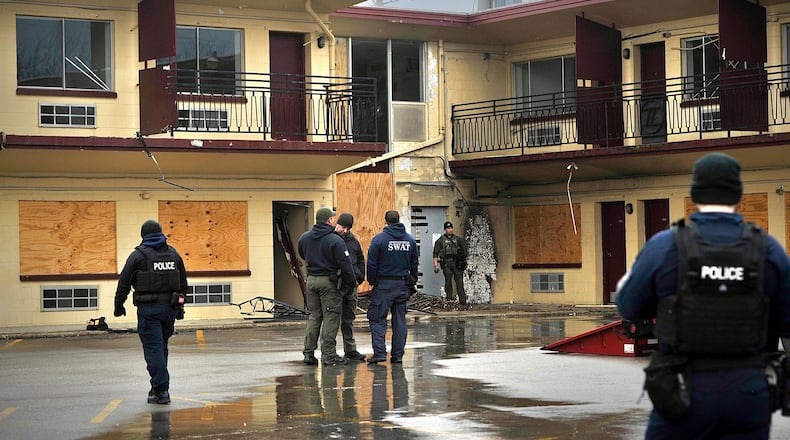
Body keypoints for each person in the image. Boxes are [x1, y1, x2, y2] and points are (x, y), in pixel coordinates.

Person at [616, 152, 790, 439]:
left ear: (695, 194)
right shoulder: (767, 249)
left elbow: (629, 307)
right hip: (747, 391)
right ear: (738, 196)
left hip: (682, 392)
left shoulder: (665, 246)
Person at [114, 219, 188, 405]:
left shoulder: (138, 256)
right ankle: (157, 387)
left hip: (149, 311)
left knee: (154, 349)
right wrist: (180, 307)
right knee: (161, 348)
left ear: (143, 236)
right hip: (169, 311)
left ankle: (162, 391)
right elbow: (183, 285)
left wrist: (118, 305)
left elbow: (123, 284)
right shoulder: (173, 254)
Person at [298, 207, 357, 367]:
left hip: (311, 281)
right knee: (331, 318)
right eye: (332, 218)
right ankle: (329, 355)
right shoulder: (335, 240)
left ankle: (308, 353)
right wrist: (352, 283)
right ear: (329, 220)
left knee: (314, 317)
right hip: (329, 283)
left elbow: (302, 255)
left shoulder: (305, 237)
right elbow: (346, 266)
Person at [366, 210, 419, 364]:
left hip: (383, 285)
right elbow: (414, 263)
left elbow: (372, 263)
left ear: (385, 221)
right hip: (402, 285)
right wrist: (412, 282)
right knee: (400, 320)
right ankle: (397, 356)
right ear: (398, 220)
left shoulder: (379, 240)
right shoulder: (410, 241)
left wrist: (372, 281)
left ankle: (380, 354)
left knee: (377, 319)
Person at [334, 213, 367, 362]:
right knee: (332, 319)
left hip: (351, 285)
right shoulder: (332, 239)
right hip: (337, 285)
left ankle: (350, 349)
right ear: (337, 224)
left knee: (348, 319)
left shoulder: (353, 241)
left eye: (348, 228)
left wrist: (360, 277)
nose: (345, 230)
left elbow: (360, 258)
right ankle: (330, 351)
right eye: (343, 227)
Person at [433, 221, 469, 305]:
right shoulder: (440, 240)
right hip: (446, 264)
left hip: (457, 263)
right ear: (445, 230)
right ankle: (449, 300)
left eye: (451, 228)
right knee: (448, 282)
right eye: (448, 228)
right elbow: (435, 253)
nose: (450, 230)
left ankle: (462, 301)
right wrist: (435, 265)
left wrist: (464, 261)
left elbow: (465, 251)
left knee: (459, 283)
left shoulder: (458, 239)